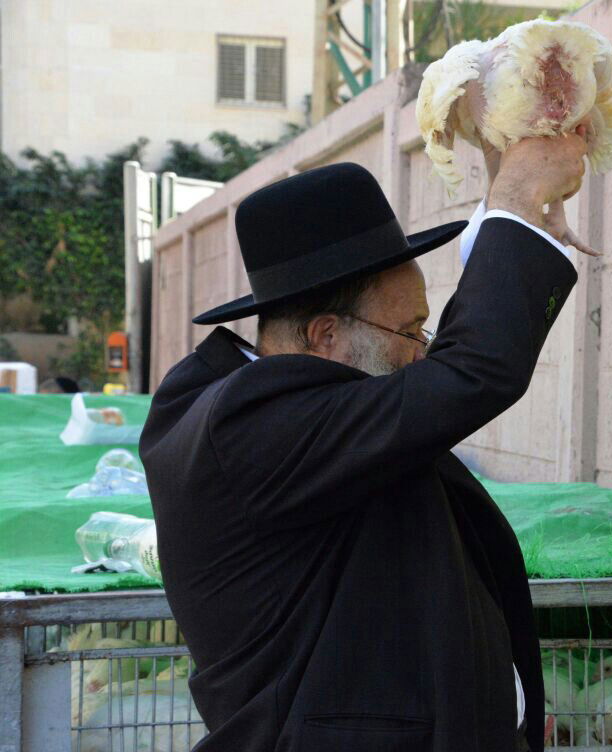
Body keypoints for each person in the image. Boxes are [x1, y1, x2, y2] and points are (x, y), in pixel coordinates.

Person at [139, 130, 588, 752]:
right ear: (325, 336)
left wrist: (505, 193)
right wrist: (517, 198)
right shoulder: (247, 423)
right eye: (410, 330)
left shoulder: (290, 410)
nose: (422, 352)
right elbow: (471, 374)